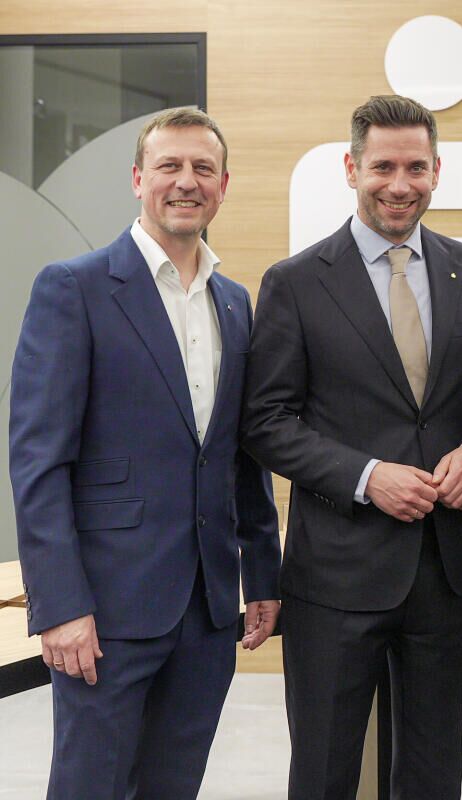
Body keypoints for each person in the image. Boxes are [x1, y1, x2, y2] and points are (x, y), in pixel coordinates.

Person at [240, 94, 462, 799]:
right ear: (351, 168)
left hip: (444, 573)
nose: (400, 184)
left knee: (433, 773)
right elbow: (266, 421)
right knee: (325, 772)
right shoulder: (296, 282)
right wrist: (366, 476)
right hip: (335, 576)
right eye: (383, 166)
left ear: (436, 170)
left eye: (415, 167)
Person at [9, 107, 281, 799]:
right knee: (90, 786)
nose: (186, 181)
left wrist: (262, 575)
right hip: (105, 611)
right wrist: (59, 605)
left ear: (223, 186)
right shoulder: (74, 287)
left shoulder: (234, 303)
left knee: (173, 787)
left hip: (208, 610)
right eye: (169, 166)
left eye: (203, 168)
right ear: (138, 179)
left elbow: (239, 455)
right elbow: (39, 463)